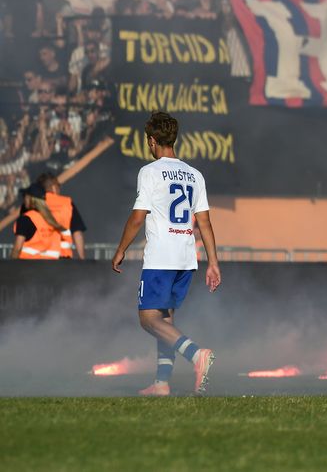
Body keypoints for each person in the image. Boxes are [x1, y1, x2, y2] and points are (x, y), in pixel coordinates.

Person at [111, 111, 220, 396]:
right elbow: (205, 222)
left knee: (148, 319)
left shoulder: (149, 172)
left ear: (151, 141)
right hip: (186, 257)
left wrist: (121, 248)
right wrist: (213, 263)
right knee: (165, 320)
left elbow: (137, 217)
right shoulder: (195, 175)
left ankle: (197, 355)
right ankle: (161, 383)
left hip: (161, 256)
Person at [38, 171, 87, 259]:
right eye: (58, 186)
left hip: (37, 259)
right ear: (53, 187)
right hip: (62, 258)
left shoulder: (34, 204)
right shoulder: (67, 203)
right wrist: (82, 258)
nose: (59, 189)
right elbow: (77, 233)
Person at [10, 183, 63, 260]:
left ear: (30, 198)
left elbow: (17, 248)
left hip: (28, 267)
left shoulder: (26, 219)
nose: (24, 199)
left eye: (25, 196)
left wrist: (11, 268)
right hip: (52, 268)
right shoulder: (53, 219)